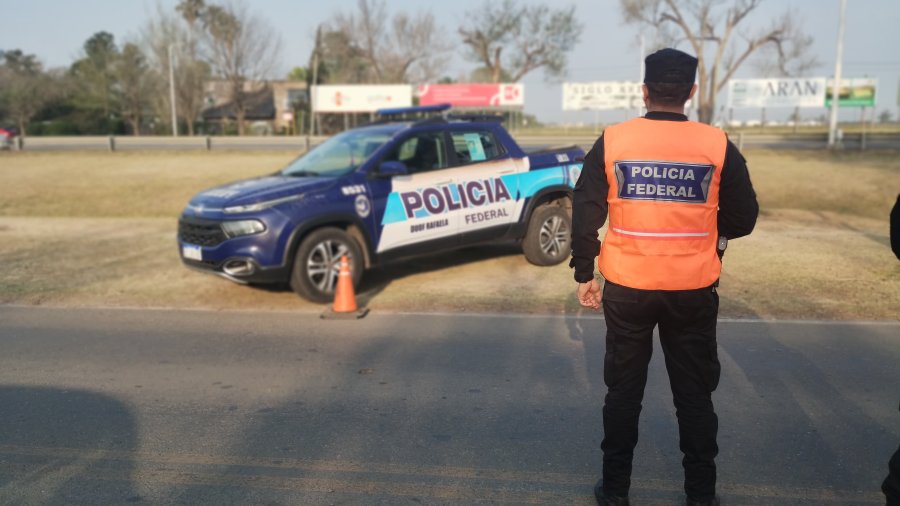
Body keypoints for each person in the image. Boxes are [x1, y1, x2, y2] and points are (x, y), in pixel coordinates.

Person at [570, 48, 759, 506]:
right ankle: (701, 494)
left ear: (645, 91)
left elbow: (586, 210)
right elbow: (744, 217)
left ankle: (614, 492)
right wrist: (709, 231)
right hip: (692, 290)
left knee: (623, 394)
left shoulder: (614, 140)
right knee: (693, 397)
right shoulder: (716, 144)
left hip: (628, 288)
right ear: (691, 92)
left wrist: (584, 272)